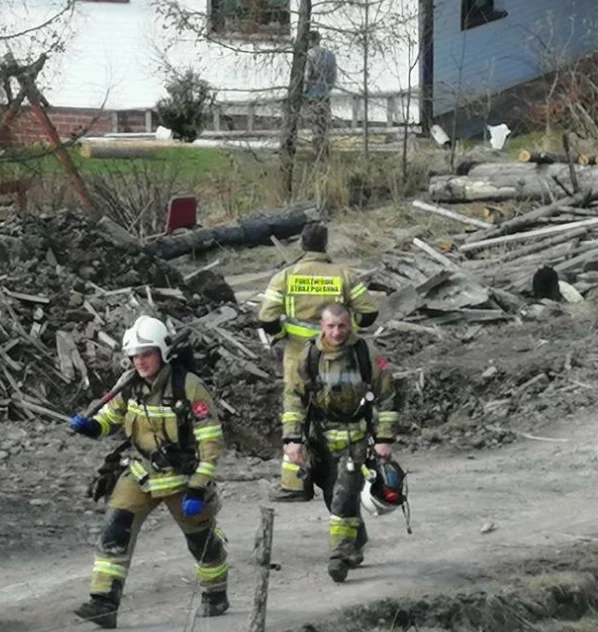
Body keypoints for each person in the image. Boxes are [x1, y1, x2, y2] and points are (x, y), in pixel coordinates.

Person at [69, 315, 229, 629]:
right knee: (115, 530)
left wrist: (198, 486)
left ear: (162, 353)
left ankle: (215, 592)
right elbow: (110, 418)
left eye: (147, 354)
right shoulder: (128, 386)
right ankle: (103, 603)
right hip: (141, 473)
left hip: (182, 479)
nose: (140, 361)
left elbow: (211, 441)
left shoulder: (188, 387)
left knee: (201, 540)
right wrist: (91, 427)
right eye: (135, 355)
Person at [258, 223, 378, 502]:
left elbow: (267, 318)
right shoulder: (344, 275)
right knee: (339, 412)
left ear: (301, 244)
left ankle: (295, 484)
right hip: (338, 357)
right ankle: (347, 472)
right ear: (325, 244)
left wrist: (283, 335)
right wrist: (348, 331)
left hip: (297, 355)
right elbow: (369, 313)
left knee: (295, 411)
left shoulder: (285, 277)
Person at [282, 303, 399, 583]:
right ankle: (355, 539)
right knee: (331, 493)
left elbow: (387, 395)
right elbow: (294, 397)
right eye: (331, 326)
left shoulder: (366, 353)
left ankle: (339, 556)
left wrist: (383, 438)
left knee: (343, 495)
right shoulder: (308, 355)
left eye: (342, 326)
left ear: (351, 325)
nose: (336, 332)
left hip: (355, 438)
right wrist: (292, 438)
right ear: (322, 327)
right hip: (320, 439)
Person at [304, 29, 337, 158]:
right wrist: (328, 88)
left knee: (315, 126)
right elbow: (333, 76)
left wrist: (304, 91)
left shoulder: (310, 55)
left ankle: (318, 154)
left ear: (310, 41)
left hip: (313, 94)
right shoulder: (330, 55)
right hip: (325, 94)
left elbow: (307, 75)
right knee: (324, 125)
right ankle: (325, 151)